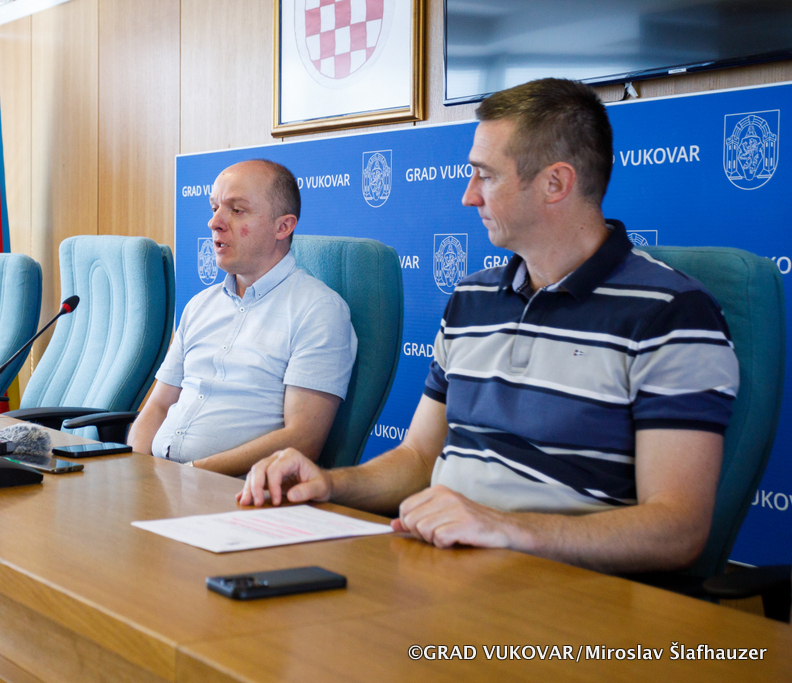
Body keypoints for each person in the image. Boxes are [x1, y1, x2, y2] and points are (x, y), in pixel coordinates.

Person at [237, 79, 740, 574]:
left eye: (486, 176)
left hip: (565, 591)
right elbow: (418, 458)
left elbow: (678, 529)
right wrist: (329, 483)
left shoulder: (672, 312)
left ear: (555, 183)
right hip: (442, 567)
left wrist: (505, 528)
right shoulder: (471, 298)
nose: (468, 196)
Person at [128, 159, 357, 476]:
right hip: (161, 480)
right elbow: (158, 406)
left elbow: (303, 439)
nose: (214, 222)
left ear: (282, 227)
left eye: (237, 210)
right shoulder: (199, 305)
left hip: (233, 493)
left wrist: (189, 474)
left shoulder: (318, 310)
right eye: (214, 208)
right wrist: (134, 472)